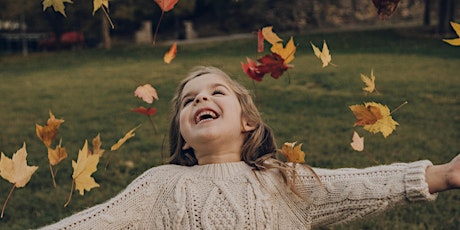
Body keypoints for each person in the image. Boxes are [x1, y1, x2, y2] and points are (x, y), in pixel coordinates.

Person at [40, 66, 459, 229]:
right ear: (183, 137)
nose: (201, 100)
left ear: (248, 122)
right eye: (189, 100)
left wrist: (442, 175)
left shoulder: (281, 180)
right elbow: (97, 222)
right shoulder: (161, 184)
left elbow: (357, 185)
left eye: (215, 91)